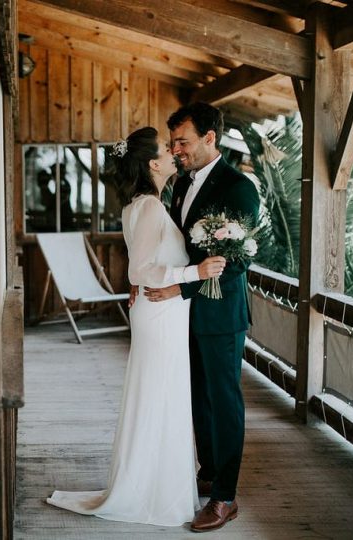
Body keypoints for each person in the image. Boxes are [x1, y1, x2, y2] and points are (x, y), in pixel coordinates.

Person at [46, 127, 225, 527]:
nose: (173, 152)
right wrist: (193, 271)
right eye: (166, 148)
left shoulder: (148, 203)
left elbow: (143, 266)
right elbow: (141, 268)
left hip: (165, 309)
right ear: (152, 163)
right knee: (159, 398)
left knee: (164, 397)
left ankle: (161, 486)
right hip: (160, 312)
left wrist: (163, 282)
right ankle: (152, 493)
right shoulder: (146, 206)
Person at [144, 103, 260, 532]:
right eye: (173, 142)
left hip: (221, 314)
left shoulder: (238, 187)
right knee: (198, 399)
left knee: (225, 403)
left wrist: (181, 287)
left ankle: (225, 497)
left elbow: (238, 261)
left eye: (183, 142)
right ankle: (208, 472)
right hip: (184, 314)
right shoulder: (179, 183)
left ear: (210, 138)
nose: (176, 150)